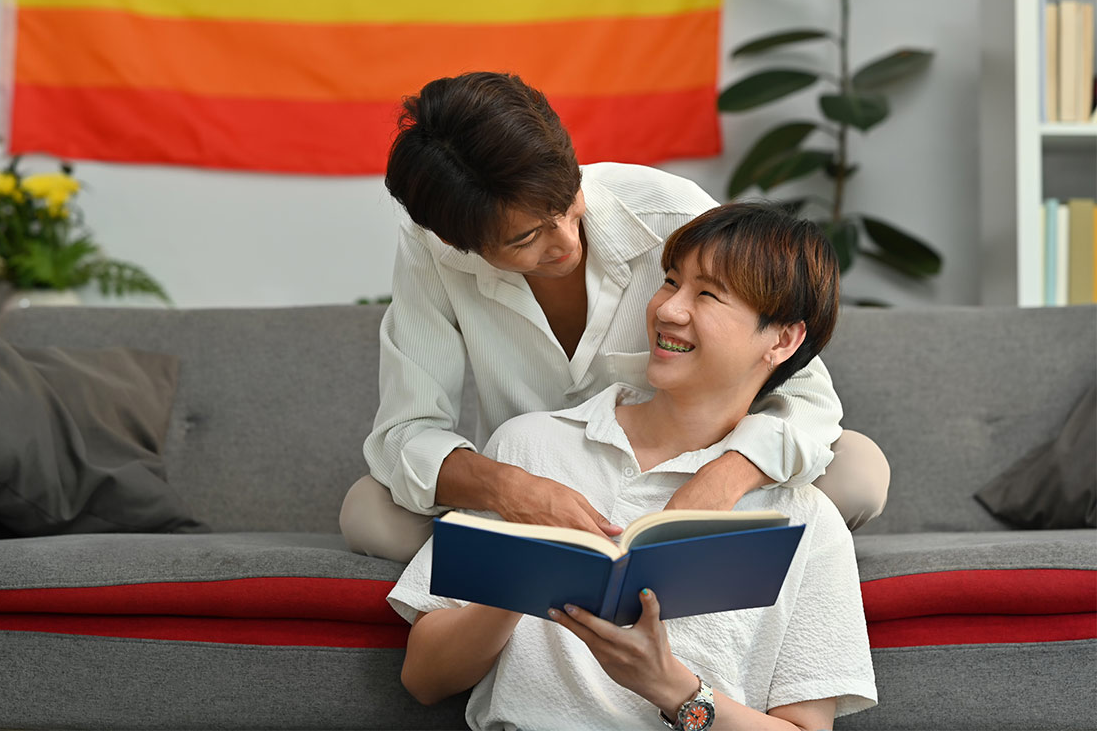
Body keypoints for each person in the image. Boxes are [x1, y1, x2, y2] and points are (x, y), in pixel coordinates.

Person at [341, 72, 889, 563]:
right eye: (527, 237)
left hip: (681, 485)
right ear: (457, 242)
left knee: (858, 472)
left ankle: (677, 554)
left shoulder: (671, 213)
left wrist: (722, 481)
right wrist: (509, 489)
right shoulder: (431, 252)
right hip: (533, 485)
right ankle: (555, 561)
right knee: (370, 512)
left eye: (566, 202)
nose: (565, 242)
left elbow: (810, 399)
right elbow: (405, 431)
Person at [388, 203, 877, 730]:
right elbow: (423, 678)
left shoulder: (805, 522)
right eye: (670, 282)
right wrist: (523, 582)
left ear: (782, 340)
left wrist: (668, 685)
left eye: (708, 294)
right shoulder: (529, 451)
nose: (668, 309)